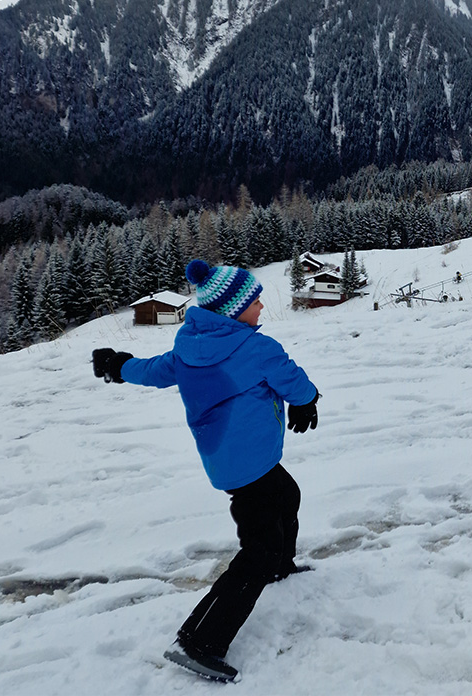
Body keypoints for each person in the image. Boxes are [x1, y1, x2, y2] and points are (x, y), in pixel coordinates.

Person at [91, 259, 320, 682]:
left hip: (231, 461)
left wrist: (118, 366)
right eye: (254, 301)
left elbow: (154, 371)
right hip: (251, 463)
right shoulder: (256, 348)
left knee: (287, 497)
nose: (261, 307)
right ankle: (199, 640)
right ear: (233, 311)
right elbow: (291, 379)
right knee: (258, 549)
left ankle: (279, 566)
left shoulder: (188, 348)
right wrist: (307, 400)